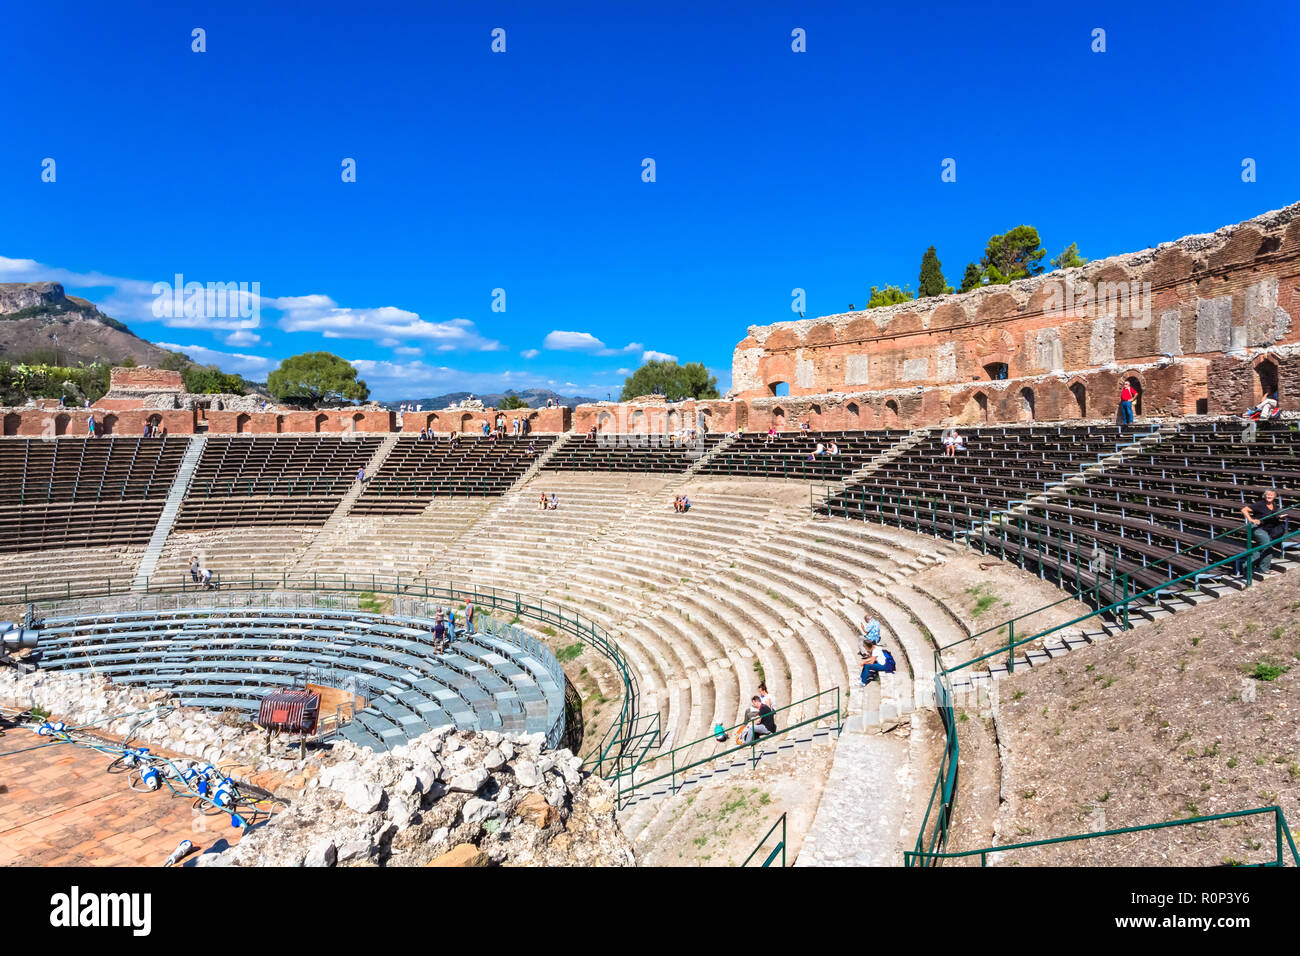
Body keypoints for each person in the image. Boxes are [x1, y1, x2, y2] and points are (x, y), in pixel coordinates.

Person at [1242, 488, 1285, 575]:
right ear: (1265, 496)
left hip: (1267, 529)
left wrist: (1280, 517)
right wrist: (1251, 520)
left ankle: (1246, 567)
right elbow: (1244, 510)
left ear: (1275, 496)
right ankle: (1264, 568)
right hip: (1258, 529)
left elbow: (1271, 516)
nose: (1269, 496)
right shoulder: (1260, 504)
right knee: (1267, 546)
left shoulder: (1274, 504)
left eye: (1271, 495)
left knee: (1260, 549)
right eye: (1268, 494)